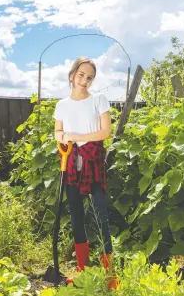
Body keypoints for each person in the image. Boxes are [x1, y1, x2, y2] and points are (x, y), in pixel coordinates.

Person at [53, 56, 118, 290]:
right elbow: (58, 131)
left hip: (94, 163)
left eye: (89, 77)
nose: (85, 81)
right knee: (76, 216)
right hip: (71, 163)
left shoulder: (99, 100)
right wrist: (63, 137)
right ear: (72, 76)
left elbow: (105, 132)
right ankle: (82, 269)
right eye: (81, 75)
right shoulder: (62, 105)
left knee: (101, 217)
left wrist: (76, 137)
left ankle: (110, 274)